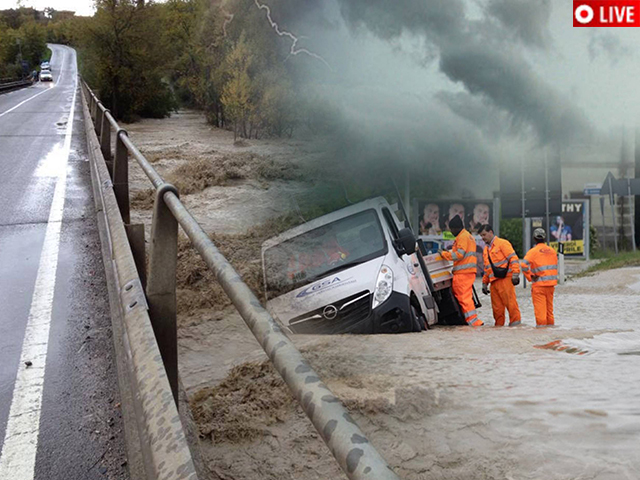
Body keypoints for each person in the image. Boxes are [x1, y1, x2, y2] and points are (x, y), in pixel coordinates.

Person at [439, 215, 483, 327]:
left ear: (455, 228)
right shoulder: (468, 236)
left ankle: (473, 322)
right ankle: (469, 320)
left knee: (463, 297)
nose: (451, 231)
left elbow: (459, 254)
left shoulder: (462, 237)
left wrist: (444, 254)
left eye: (451, 229)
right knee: (465, 296)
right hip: (467, 272)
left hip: (463, 273)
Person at [478, 224, 522, 327]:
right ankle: (499, 329)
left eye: (484, 235)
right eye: (481, 236)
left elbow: (513, 258)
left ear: (491, 232)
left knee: (511, 305)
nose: (483, 238)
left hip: (505, 280)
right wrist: (485, 283)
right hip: (494, 282)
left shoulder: (502, 243)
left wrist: (515, 274)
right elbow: (487, 269)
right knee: (497, 309)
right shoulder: (486, 250)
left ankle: (515, 328)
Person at [521, 228, 558, 327]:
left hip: (539, 286)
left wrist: (530, 277)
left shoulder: (533, 252)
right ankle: (551, 337)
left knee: (540, 315)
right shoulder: (552, 251)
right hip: (551, 286)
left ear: (534, 238)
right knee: (549, 313)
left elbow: (523, 265)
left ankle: (542, 337)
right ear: (545, 238)